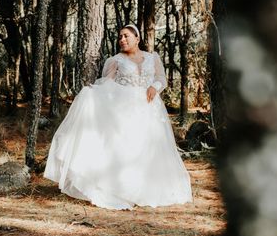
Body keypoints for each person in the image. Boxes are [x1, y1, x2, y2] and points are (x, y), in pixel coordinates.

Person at [44, 24, 192, 210]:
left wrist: (155, 87)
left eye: (126, 36)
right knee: (126, 148)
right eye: (120, 37)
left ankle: (146, 188)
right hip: (124, 109)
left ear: (137, 38)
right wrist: (92, 93)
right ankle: (121, 190)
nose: (122, 39)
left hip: (149, 108)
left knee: (148, 149)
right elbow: (107, 84)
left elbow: (162, 78)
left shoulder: (152, 57)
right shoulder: (115, 60)